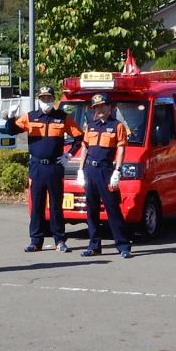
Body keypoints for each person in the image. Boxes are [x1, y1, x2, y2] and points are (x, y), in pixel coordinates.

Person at [8, 86, 80, 252]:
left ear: (53, 99)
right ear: (38, 100)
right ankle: (35, 240)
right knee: (37, 204)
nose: (46, 101)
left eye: (48, 98)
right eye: (43, 99)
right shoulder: (30, 117)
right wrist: (11, 117)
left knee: (56, 205)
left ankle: (59, 240)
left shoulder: (62, 117)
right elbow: (11, 131)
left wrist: (69, 155)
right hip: (37, 166)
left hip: (55, 166)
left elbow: (79, 137)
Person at [77, 94, 133, 259]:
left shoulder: (117, 126)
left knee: (112, 208)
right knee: (91, 209)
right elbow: (85, 148)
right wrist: (80, 170)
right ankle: (94, 245)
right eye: (96, 107)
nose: (99, 109)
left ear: (109, 107)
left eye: (102, 106)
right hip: (90, 170)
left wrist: (118, 170)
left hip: (106, 170)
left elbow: (121, 148)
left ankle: (123, 245)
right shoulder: (90, 126)